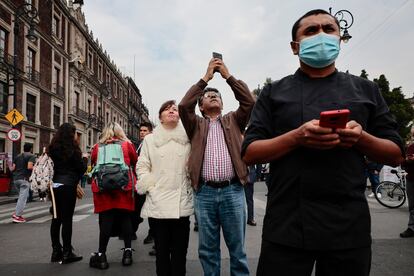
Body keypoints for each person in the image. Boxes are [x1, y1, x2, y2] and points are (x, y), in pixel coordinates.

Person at [242, 9, 404, 276]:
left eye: (329, 29)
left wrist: (361, 138)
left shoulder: (366, 90)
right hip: (287, 225)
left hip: (348, 227)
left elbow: (396, 153)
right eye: (310, 31)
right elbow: (249, 153)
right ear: (295, 47)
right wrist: (297, 136)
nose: (321, 35)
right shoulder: (273, 92)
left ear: (340, 39)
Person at [179, 58, 254, 276]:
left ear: (222, 104)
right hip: (205, 193)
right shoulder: (196, 124)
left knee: (237, 249)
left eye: (217, 95)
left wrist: (228, 76)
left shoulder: (234, 120)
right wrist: (206, 78)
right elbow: (184, 106)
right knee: (208, 250)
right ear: (201, 106)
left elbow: (249, 101)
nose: (213, 96)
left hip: (233, 191)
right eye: (208, 96)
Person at [136, 100, 193, 275]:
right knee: (161, 254)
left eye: (175, 109)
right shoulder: (150, 140)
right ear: (160, 117)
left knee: (179, 254)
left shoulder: (188, 138)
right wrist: (151, 187)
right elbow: (142, 166)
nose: (172, 111)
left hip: (180, 204)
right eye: (167, 109)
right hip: (158, 203)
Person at [89, 122, 138, 270]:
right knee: (125, 218)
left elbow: (93, 162)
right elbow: (135, 161)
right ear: (120, 132)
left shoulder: (97, 147)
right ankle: (127, 254)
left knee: (106, 220)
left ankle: (101, 256)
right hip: (124, 187)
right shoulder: (126, 145)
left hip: (103, 189)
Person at [48, 123, 88, 264]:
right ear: (72, 134)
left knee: (55, 219)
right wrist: (84, 158)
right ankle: (67, 253)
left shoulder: (52, 148)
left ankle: (55, 251)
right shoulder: (73, 149)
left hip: (54, 186)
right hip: (68, 186)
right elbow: (81, 169)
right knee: (66, 220)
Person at [134, 122, 156, 256]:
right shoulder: (140, 145)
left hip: (149, 182)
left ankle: (152, 234)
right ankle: (133, 230)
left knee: (151, 210)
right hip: (142, 181)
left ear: (150, 132)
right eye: (141, 130)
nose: (142, 133)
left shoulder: (150, 144)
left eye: (145, 130)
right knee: (139, 207)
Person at [10, 143, 36, 223]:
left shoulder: (17, 156)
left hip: (16, 179)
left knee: (22, 197)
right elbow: (29, 166)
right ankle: (17, 216)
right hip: (24, 179)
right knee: (23, 198)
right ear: (31, 149)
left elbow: (12, 168)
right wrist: (36, 167)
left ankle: (18, 214)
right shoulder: (31, 156)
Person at [400, 142, 414, 238]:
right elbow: (402, 163)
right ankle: (411, 228)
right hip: (412, 179)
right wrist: (407, 160)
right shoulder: (411, 147)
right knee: (412, 205)